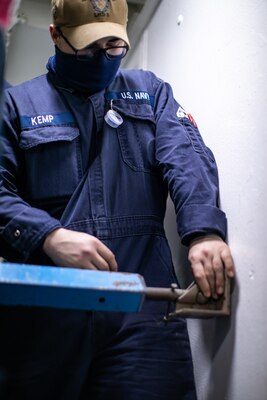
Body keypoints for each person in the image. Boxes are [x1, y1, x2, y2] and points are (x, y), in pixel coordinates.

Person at [0, 0, 235, 399]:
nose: (102, 58)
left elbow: (186, 158)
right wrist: (49, 236)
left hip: (141, 309)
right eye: (88, 47)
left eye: (113, 46)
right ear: (56, 36)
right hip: (45, 315)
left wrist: (204, 232)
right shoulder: (17, 106)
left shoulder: (150, 93)